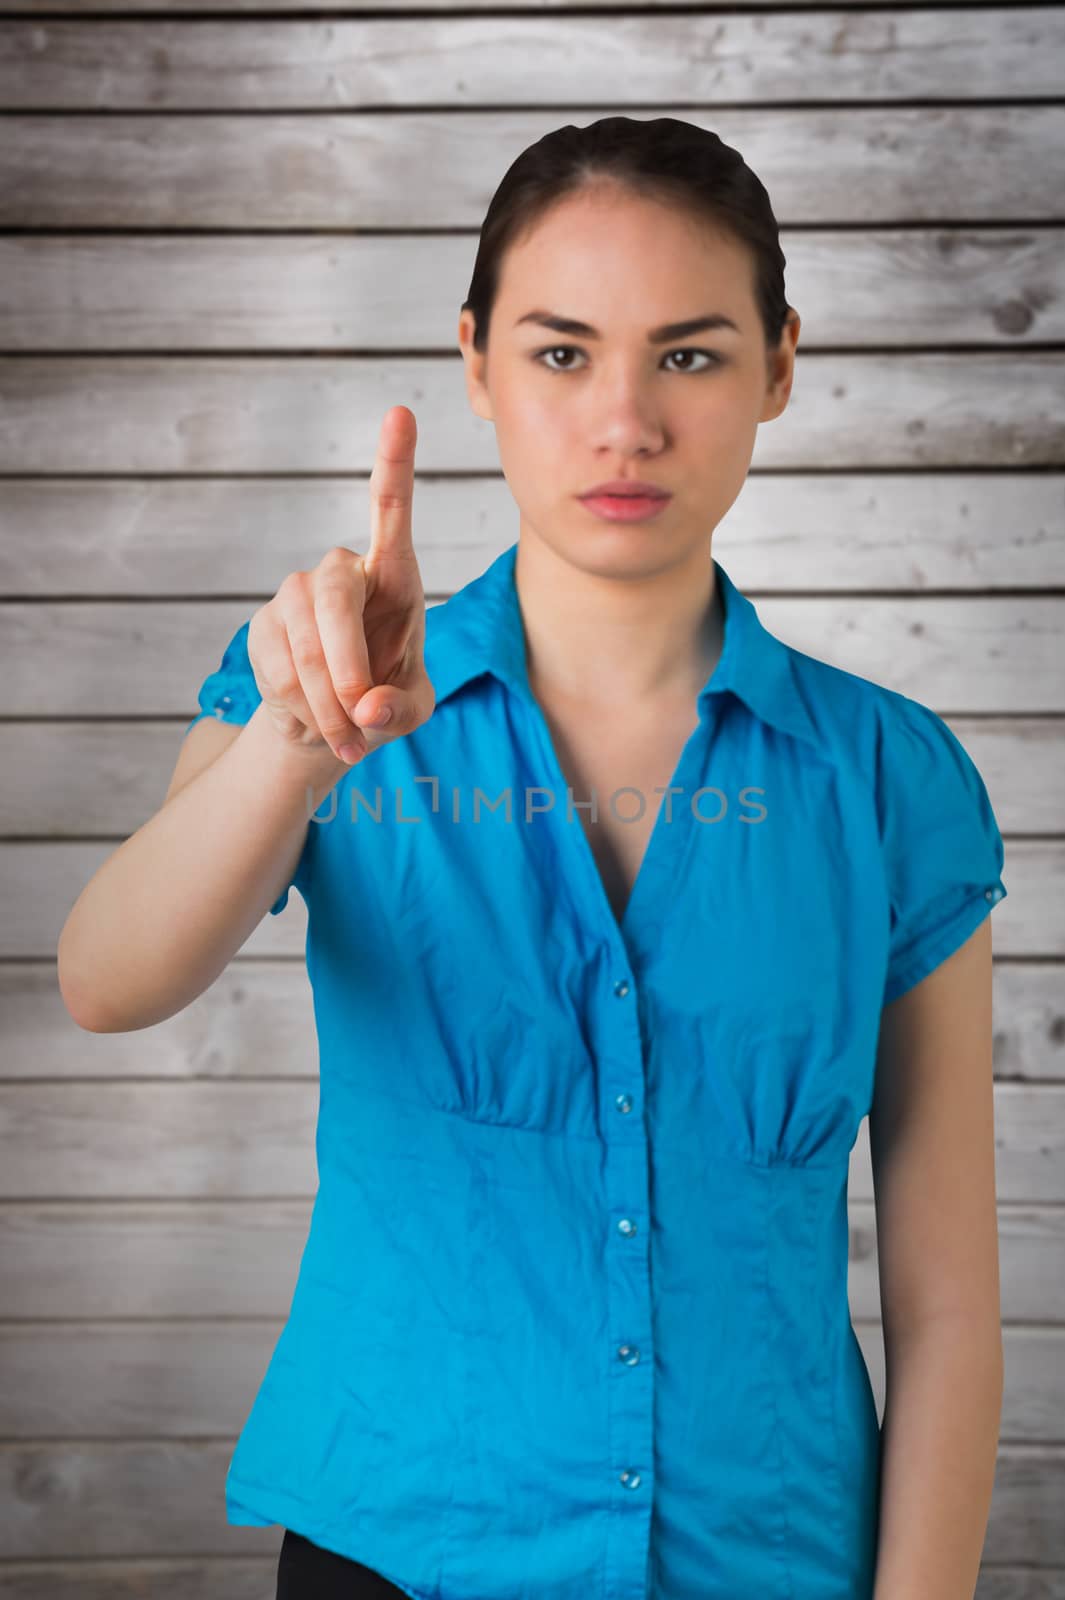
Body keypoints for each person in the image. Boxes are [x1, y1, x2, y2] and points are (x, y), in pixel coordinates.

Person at [57, 116, 1008, 1600]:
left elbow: (946, 1305)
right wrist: (299, 743)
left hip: (772, 1564)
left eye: (687, 355)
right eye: (561, 354)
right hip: (396, 1553)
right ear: (475, 362)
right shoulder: (311, 689)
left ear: (778, 365)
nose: (623, 421)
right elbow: (104, 981)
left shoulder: (890, 779)